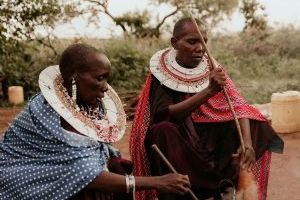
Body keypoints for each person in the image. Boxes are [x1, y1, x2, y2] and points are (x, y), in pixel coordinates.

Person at [0, 43, 191, 200]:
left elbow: (89, 162)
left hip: (76, 175)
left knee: (113, 174)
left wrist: (105, 173)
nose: (106, 87)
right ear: (75, 79)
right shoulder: (47, 113)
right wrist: (159, 182)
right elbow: (81, 172)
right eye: (100, 79)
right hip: (25, 180)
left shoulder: (87, 103)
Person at [129, 17, 284, 200]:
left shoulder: (212, 67)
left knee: (255, 124)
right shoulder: (161, 74)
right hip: (180, 140)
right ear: (174, 43)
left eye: (204, 41)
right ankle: (191, 189)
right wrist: (209, 90)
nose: (200, 48)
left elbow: (238, 105)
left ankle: (227, 186)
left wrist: (247, 143)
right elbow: (165, 114)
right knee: (163, 130)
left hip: (207, 135)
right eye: (192, 41)